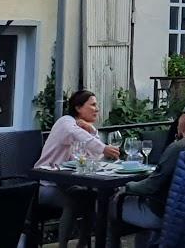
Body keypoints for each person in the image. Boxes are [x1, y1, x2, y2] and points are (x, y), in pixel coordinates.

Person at [34, 90, 121, 248]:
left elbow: (94, 156)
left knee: (91, 198)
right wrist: (103, 147)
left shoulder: (82, 130)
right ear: (78, 107)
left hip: (67, 184)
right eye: (93, 105)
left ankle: (82, 245)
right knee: (75, 201)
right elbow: (80, 137)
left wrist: (93, 131)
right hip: (45, 184)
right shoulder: (65, 122)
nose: (97, 109)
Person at [119, 98, 185, 230]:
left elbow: (151, 186)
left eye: (182, 114)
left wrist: (125, 186)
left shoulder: (178, 148)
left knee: (111, 203)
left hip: (168, 213)